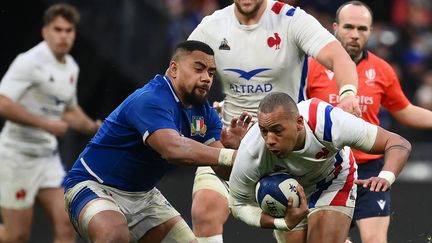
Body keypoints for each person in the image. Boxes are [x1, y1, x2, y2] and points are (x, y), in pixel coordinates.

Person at [187, 0, 362, 242]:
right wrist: (200, 120)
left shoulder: (291, 20)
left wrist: (348, 94)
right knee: (205, 210)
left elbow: (338, 57)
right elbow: (181, 72)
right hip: (228, 141)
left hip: (282, 149)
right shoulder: (213, 26)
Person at [63, 40, 251, 243]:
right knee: (114, 235)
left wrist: (234, 147)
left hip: (143, 197)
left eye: (211, 73)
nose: (206, 78)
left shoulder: (203, 112)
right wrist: (231, 155)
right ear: (174, 69)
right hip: (94, 185)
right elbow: (173, 149)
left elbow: (222, 170)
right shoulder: (151, 99)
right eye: (199, 69)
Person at [306, 1, 432, 242]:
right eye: (348, 27)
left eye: (362, 29)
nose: (355, 35)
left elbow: (404, 111)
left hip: (368, 168)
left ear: (371, 32)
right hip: (325, 168)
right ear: (335, 27)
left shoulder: (382, 69)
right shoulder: (312, 66)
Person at [229, 92, 411, 243]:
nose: (269, 140)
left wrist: (385, 176)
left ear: (299, 123)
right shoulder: (251, 149)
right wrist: (281, 223)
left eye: (278, 131)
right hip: (288, 195)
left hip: (332, 180)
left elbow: (397, 142)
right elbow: (237, 205)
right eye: (264, 131)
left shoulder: (327, 121)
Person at [0, 4, 101, 243]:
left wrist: (92, 127)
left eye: (69, 30)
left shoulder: (71, 67)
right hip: (17, 157)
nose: (64, 36)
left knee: (68, 222)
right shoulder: (29, 62)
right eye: (58, 29)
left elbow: (67, 110)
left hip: (47, 157)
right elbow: (3, 103)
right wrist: (45, 124)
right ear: (45, 31)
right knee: (17, 236)